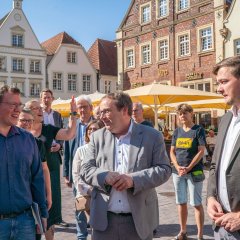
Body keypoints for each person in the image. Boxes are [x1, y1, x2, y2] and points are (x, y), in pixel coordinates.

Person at [80, 92, 172, 240]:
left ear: (124, 110)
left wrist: (134, 180)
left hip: (139, 221)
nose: (101, 116)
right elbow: (85, 169)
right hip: (104, 221)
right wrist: (104, 176)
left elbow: (164, 169)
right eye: (101, 112)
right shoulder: (97, 137)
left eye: (106, 111)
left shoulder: (152, 136)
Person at [0, 85, 48, 239]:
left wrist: (42, 213)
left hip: (25, 222)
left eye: (19, 105)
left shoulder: (28, 140)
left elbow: (37, 178)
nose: (17, 110)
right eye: (12, 105)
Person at [25, 98, 77, 240]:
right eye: (36, 108)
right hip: (27, 179)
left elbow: (69, 134)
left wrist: (73, 112)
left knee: (49, 216)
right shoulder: (21, 129)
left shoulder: (48, 129)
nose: (40, 110)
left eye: (40, 108)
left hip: (48, 174)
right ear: (27, 111)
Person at [207, 56, 240, 240]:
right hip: (221, 226)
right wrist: (211, 197)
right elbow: (214, 165)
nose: (219, 89)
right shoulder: (226, 119)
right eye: (218, 83)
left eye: (224, 82)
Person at [170, 103, 206, 240]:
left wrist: (188, 167)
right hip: (177, 172)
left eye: (185, 113)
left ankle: (200, 235)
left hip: (194, 172)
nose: (182, 116)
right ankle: (183, 231)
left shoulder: (198, 130)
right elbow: (172, 151)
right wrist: (178, 166)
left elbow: (201, 151)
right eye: (180, 114)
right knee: (181, 202)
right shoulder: (177, 131)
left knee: (196, 203)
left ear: (191, 114)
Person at [17, 108, 52, 240]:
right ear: (16, 122)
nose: (26, 123)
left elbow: (44, 169)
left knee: (36, 232)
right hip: (19, 197)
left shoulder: (37, 143)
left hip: (35, 195)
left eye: (29, 121)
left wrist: (49, 195)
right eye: (23, 120)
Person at [63, 95, 94, 240]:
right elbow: (67, 150)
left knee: (95, 205)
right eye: (79, 107)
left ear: (91, 108)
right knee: (80, 205)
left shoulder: (97, 126)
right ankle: (81, 235)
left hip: (94, 172)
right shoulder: (72, 126)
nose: (81, 110)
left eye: (84, 106)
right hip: (77, 173)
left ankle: (97, 231)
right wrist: (66, 173)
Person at [40, 89, 68, 228]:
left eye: (49, 97)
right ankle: (45, 216)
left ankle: (57, 217)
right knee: (44, 185)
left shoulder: (57, 115)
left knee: (56, 187)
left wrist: (60, 145)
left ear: (52, 99)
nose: (47, 99)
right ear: (41, 99)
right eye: (44, 97)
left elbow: (62, 132)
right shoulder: (38, 114)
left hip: (55, 153)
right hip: (42, 152)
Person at [72, 120, 104, 217]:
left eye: (95, 129)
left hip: (102, 193)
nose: (91, 131)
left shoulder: (106, 149)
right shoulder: (80, 150)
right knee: (90, 221)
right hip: (84, 193)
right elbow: (76, 173)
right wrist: (87, 190)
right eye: (90, 129)